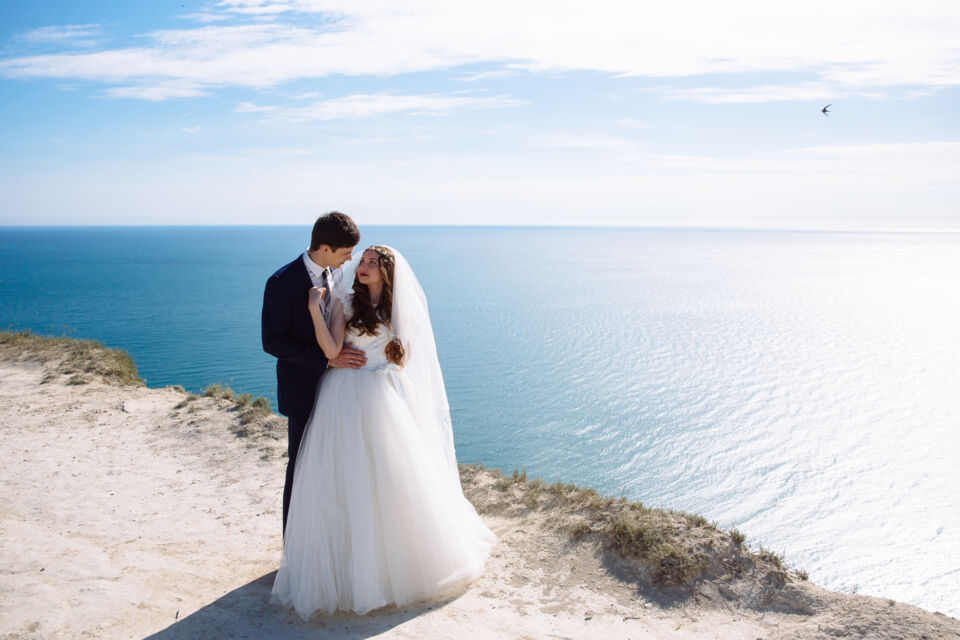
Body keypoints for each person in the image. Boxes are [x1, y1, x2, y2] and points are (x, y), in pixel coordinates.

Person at [271, 246, 496, 618]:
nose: (363, 266)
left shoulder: (397, 310)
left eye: (372, 263)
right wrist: (314, 309)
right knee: (340, 482)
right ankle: (344, 568)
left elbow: (405, 359)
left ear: (387, 272)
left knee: (389, 479)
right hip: (342, 395)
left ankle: (390, 565)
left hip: (382, 398)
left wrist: (388, 359)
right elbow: (329, 347)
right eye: (362, 260)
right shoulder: (344, 302)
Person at [261, 211, 367, 536]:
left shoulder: (337, 274)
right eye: (345, 252)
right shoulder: (281, 282)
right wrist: (325, 363)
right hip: (302, 390)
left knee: (333, 467)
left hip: (340, 391)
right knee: (301, 467)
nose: (351, 259)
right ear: (324, 247)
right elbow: (272, 341)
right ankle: (293, 549)